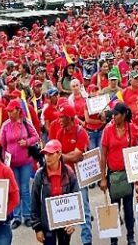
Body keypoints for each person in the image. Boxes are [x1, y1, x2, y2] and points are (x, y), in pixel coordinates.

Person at [48, 103, 92, 245]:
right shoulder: (60, 132)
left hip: (78, 177)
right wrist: (68, 156)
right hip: (64, 176)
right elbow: (63, 154)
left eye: (62, 117)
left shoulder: (81, 132)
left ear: (70, 118)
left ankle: (87, 241)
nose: (59, 120)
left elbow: (77, 156)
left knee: (83, 210)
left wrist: (61, 157)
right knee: (65, 211)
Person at [99, 103, 138, 245]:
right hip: (113, 176)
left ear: (123, 115)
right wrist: (103, 178)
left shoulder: (132, 129)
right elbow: (103, 155)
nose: (113, 117)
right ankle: (114, 240)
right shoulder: (108, 130)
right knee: (113, 209)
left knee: (128, 209)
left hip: (127, 175)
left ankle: (130, 237)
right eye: (113, 114)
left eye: (116, 114)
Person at [0, 100, 39, 229]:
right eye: (8, 111)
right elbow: (2, 144)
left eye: (11, 111)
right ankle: (16, 216)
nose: (9, 113)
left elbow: (36, 137)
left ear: (18, 110)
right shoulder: (5, 125)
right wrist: (4, 161)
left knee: (25, 188)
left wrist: (26, 142)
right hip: (12, 163)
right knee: (15, 189)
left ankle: (27, 216)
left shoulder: (26, 122)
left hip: (26, 161)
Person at [30, 139, 79, 245]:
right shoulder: (39, 175)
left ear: (59, 154)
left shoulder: (69, 173)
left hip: (65, 223)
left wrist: (72, 222)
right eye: (45, 154)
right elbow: (34, 202)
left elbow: (76, 198)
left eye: (51, 154)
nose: (47, 157)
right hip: (46, 223)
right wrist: (37, 228)